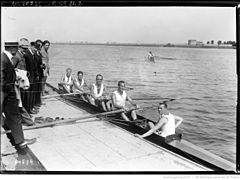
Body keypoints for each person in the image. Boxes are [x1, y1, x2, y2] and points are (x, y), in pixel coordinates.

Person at [1, 41, 36, 152]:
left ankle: (21, 142)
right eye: (17, 48)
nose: (20, 50)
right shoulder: (4, 59)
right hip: (6, 95)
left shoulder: (6, 58)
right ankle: (20, 143)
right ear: (13, 49)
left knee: (14, 117)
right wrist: (10, 90)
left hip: (6, 95)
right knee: (14, 117)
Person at [24, 42, 39, 114]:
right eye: (35, 48)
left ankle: (30, 108)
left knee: (32, 94)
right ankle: (28, 109)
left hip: (33, 78)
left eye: (37, 48)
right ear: (31, 47)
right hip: (28, 78)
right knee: (28, 95)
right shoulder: (27, 54)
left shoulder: (33, 55)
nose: (36, 50)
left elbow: (35, 66)